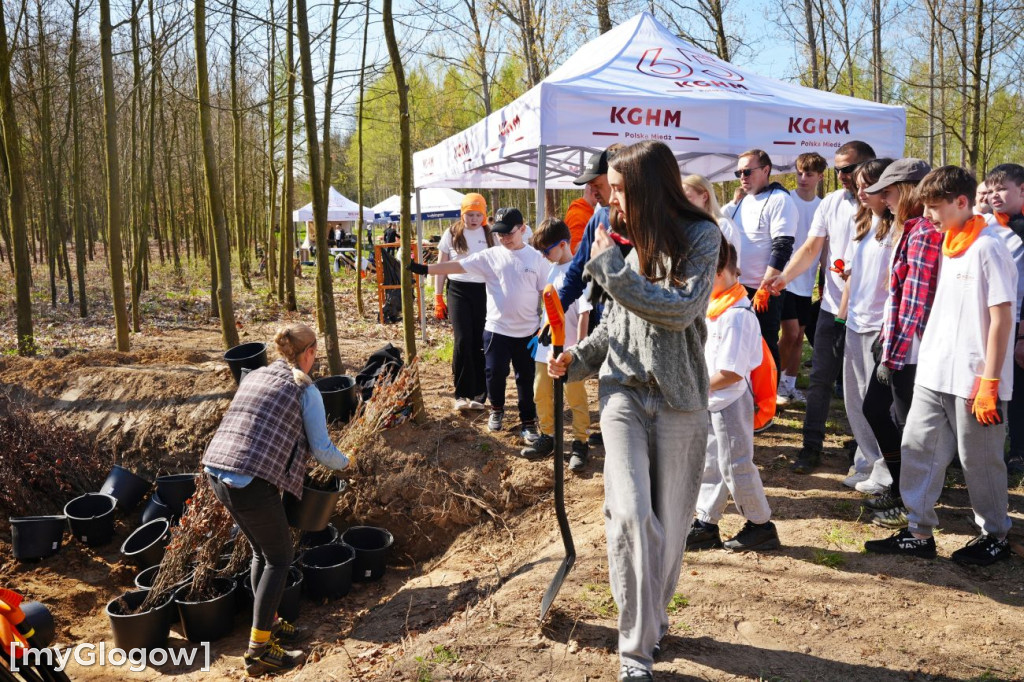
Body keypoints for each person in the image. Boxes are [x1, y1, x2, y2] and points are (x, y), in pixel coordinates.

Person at [547, 140, 719, 682]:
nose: (610, 199)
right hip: (621, 392)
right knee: (629, 516)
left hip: (680, 400)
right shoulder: (617, 238)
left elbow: (679, 310)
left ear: (645, 187)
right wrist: (576, 358)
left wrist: (610, 270)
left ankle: (652, 617)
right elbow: (617, 323)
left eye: (617, 188)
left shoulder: (701, 236)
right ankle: (635, 652)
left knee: (667, 526)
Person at [865, 165, 1016, 566]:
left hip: (973, 377)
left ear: (961, 202)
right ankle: (918, 530)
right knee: (918, 446)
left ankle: (995, 534)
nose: (928, 215)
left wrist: (991, 380)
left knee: (979, 461)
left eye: (935, 207)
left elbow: (1002, 315)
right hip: (935, 370)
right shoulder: (951, 242)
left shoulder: (989, 246)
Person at [202, 324, 351, 676]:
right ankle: (258, 652)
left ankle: (267, 622)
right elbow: (322, 450)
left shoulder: (256, 375)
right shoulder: (306, 389)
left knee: (262, 553)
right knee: (280, 558)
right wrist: (349, 463)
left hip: (217, 471)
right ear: (310, 352)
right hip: (249, 481)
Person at [764, 140, 877, 473]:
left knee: (864, 384)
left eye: (848, 168)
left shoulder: (883, 205)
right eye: (838, 168)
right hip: (831, 306)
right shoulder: (831, 202)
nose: (841, 175)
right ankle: (810, 447)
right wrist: (784, 277)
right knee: (819, 379)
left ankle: (866, 449)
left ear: (868, 166)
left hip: (870, 312)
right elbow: (812, 248)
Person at [409, 208, 550, 442]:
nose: (504, 238)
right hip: (497, 330)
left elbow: (545, 293)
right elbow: (457, 265)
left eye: (509, 233)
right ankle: (496, 410)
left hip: (528, 332)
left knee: (525, 378)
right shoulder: (490, 256)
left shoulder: (536, 258)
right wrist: (424, 269)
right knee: (494, 374)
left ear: (523, 230)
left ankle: (528, 421)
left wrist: (545, 325)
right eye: (500, 233)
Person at [858, 158, 939, 524]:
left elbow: (916, 302)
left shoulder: (923, 232)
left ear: (907, 190)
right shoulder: (908, 229)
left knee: (908, 427)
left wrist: (893, 354)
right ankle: (900, 487)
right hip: (897, 344)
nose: (883, 200)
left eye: (888, 192)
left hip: (912, 350)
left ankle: (910, 504)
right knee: (875, 410)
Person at [688, 235, 780, 553]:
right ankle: (706, 523)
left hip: (729, 402)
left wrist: (694, 386)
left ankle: (760, 525)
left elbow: (731, 372)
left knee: (736, 465)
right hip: (713, 401)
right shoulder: (717, 308)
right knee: (712, 463)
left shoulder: (737, 316)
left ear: (717, 273)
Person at [834, 159, 895, 502]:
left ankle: (886, 471)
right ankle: (867, 461)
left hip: (879, 328)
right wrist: (843, 317)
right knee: (854, 400)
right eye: (857, 185)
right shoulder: (865, 222)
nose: (859, 191)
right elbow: (856, 274)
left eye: (866, 185)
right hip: (856, 323)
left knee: (879, 406)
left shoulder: (897, 227)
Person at [521, 219, 592, 470]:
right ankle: (548, 436)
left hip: (569, 349)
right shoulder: (552, 268)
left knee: (574, 396)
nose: (543, 255)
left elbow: (584, 312)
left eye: (546, 250)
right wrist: (541, 333)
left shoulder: (579, 271)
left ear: (563, 244)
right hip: (546, 347)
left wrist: (580, 348)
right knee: (540, 390)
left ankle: (581, 442)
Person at [729, 149, 799, 374]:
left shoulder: (780, 200)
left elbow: (783, 246)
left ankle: (766, 405)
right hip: (739, 288)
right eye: (739, 172)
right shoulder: (743, 202)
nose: (742, 176)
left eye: (747, 171)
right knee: (741, 347)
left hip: (764, 291)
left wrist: (765, 288)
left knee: (764, 347)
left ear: (766, 170)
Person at [435, 193, 495, 412]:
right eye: (470, 214)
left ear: (484, 215)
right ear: (463, 214)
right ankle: (461, 393)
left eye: (478, 214)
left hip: (483, 291)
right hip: (458, 290)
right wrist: (438, 296)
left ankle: (480, 392)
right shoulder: (452, 233)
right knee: (462, 340)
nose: (474, 219)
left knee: (481, 340)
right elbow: (441, 266)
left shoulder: (490, 234)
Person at [775, 153, 825, 406]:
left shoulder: (822, 206)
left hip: (807, 281)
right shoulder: (786, 200)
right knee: (790, 332)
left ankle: (789, 385)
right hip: (785, 278)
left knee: (799, 336)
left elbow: (825, 247)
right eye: (799, 173)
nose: (803, 178)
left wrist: (824, 279)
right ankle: (775, 382)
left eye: (809, 174)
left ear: (820, 177)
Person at [984, 163, 1024, 479]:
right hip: (989, 319)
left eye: (1003, 188)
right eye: (991, 188)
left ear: (1022, 190)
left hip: (1019, 321)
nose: (995, 195)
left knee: (1019, 390)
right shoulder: (986, 224)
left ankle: (1018, 453)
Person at [682, 174, 742, 260]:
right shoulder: (689, 226)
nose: (683, 202)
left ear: (704, 197)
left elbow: (731, 266)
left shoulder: (724, 225)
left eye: (688, 197)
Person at [565, 182, 598, 253]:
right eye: (599, 190)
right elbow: (575, 250)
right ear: (591, 190)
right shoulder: (577, 214)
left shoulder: (586, 210)